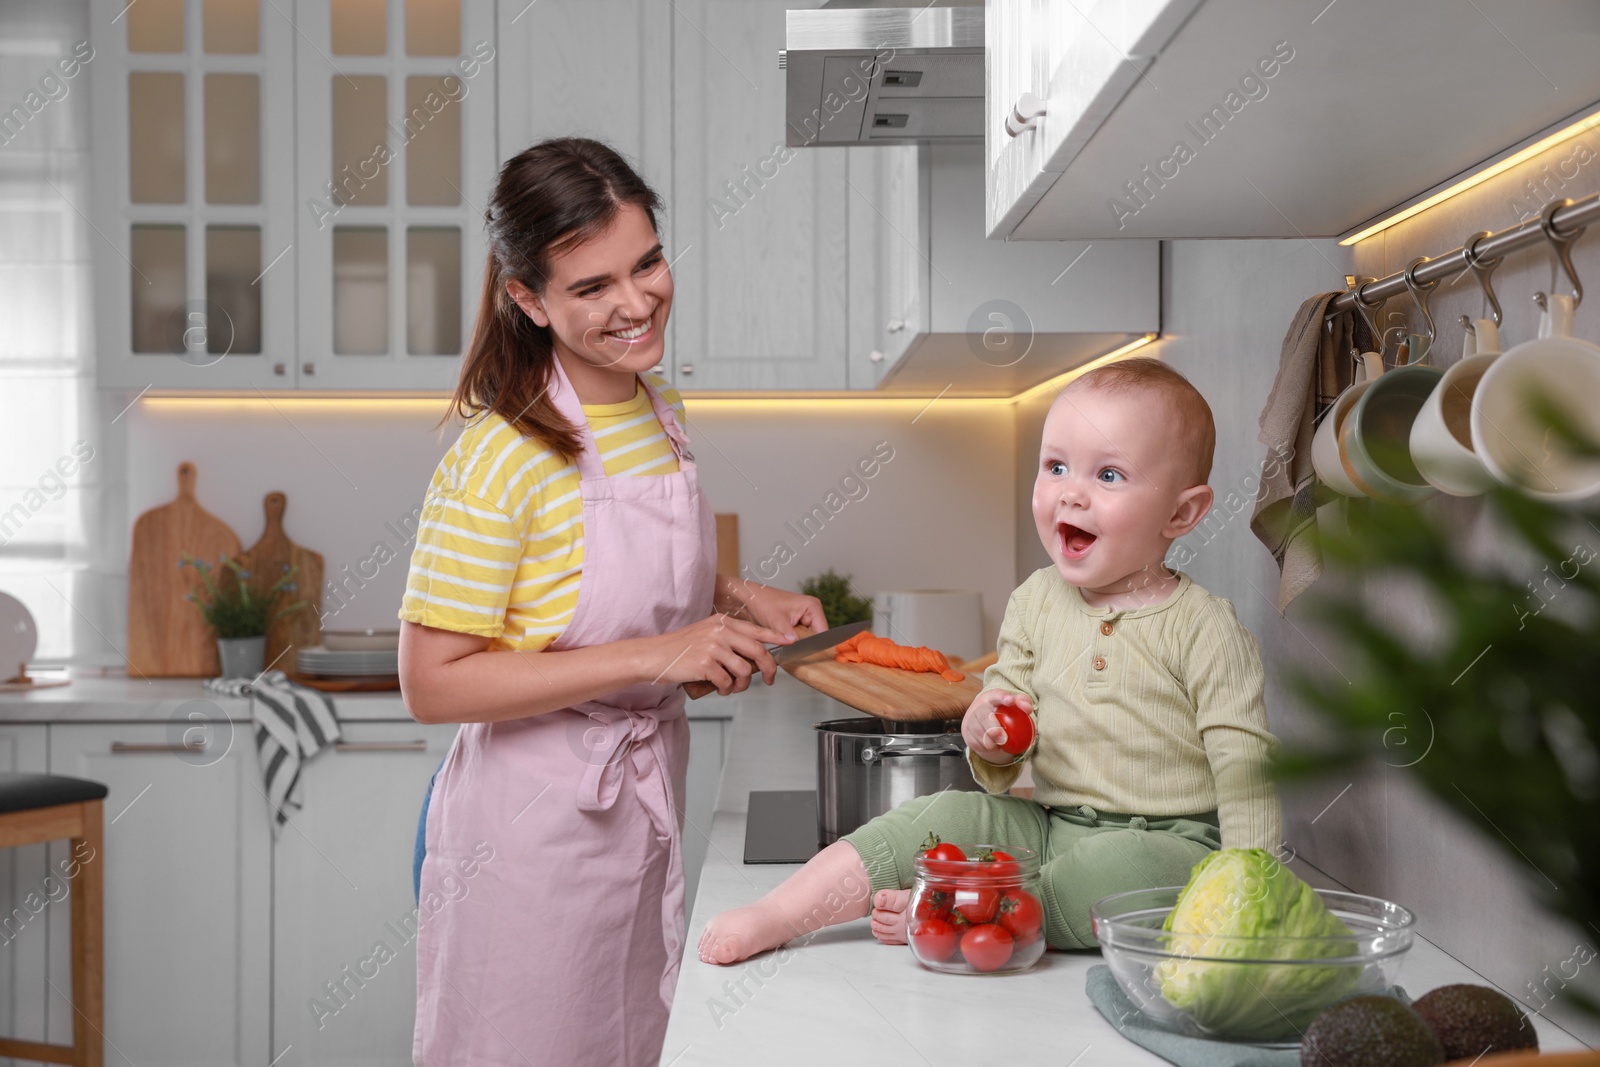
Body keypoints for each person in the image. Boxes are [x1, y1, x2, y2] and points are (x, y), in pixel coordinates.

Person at [399, 137, 825, 1066]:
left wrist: (740, 599)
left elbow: (611, 567)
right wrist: (653, 656)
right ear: (528, 299)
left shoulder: (651, 401)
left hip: (641, 802)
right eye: (592, 288)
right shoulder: (500, 453)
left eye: (647, 263)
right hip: (534, 831)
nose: (636, 304)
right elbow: (432, 684)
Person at [699, 357, 1283, 963]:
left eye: (1109, 475)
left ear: (1181, 513)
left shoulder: (1205, 627)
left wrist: (1249, 892)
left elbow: (1247, 770)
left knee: (1117, 866)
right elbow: (1001, 754)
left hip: (1169, 846)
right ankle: (780, 913)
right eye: (1056, 466)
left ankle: (948, 913)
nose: (1071, 492)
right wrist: (990, 731)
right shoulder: (1034, 602)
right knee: (940, 813)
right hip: (1050, 825)